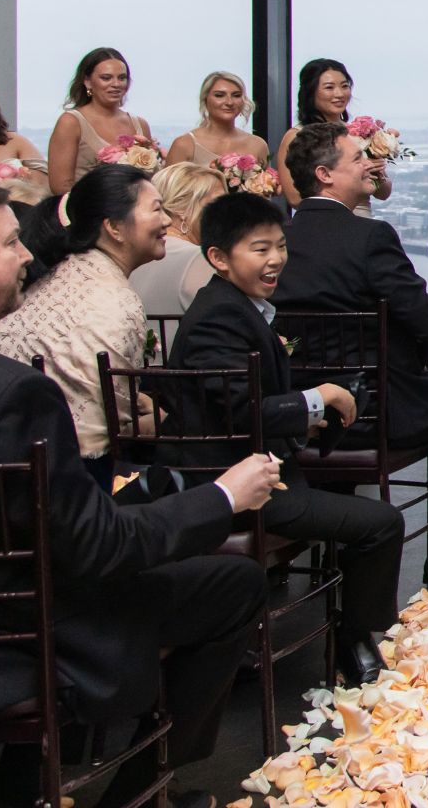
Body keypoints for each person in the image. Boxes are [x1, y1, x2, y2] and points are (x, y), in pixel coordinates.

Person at [0, 178, 281, 808]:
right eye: (10, 243)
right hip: (19, 633)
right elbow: (96, 547)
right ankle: (144, 788)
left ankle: (24, 781)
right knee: (235, 583)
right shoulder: (9, 392)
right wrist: (223, 497)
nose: (29, 256)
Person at [167, 192, 402, 686]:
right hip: (235, 485)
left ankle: (347, 627)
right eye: (259, 249)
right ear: (218, 257)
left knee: (350, 504)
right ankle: (352, 638)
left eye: (279, 246)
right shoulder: (219, 317)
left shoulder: (237, 306)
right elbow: (238, 408)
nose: (275, 259)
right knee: (381, 522)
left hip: (267, 464)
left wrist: (306, 415)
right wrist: (317, 398)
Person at [275, 122, 428, 587]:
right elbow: (425, 320)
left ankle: (331, 549)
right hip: (374, 410)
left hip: (296, 413)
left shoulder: (276, 242)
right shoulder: (368, 237)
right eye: (356, 158)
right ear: (325, 174)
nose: (369, 164)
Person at [0, 165, 170, 486]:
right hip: (76, 478)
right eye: (157, 209)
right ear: (115, 227)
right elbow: (114, 429)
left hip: (15, 462)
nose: (168, 220)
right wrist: (167, 422)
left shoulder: (55, 273)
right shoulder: (115, 300)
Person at [276, 58, 392, 215]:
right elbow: (294, 198)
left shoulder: (360, 132)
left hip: (362, 221)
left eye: (344, 86)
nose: (339, 94)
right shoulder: (296, 136)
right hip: (323, 219)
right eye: (329, 88)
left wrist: (377, 171)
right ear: (310, 92)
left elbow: (383, 193)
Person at [47, 47, 155, 195]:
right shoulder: (71, 122)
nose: (116, 84)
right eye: (106, 78)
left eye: (122, 78)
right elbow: (60, 186)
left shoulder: (140, 125)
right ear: (88, 82)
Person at [129, 161, 225, 329]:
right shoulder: (200, 258)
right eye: (217, 204)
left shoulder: (137, 254)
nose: (227, 212)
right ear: (181, 208)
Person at [165, 70, 269, 169]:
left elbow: (269, 184)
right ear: (205, 99)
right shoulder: (184, 144)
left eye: (236, 95)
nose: (229, 102)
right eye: (219, 95)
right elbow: (166, 187)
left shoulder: (258, 145)